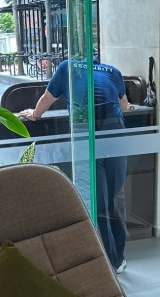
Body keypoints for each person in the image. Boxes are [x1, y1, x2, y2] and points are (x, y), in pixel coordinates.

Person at [20, 56, 133, 273]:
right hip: (115, 133)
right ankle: (118, 259)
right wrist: (127, 106)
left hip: (88, 134)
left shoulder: (67, 67)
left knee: (98, 201)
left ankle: (108, 261)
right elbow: (124, 105)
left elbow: (47, 98)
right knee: (116, 197)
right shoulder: (113, 71)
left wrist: (34, 114)